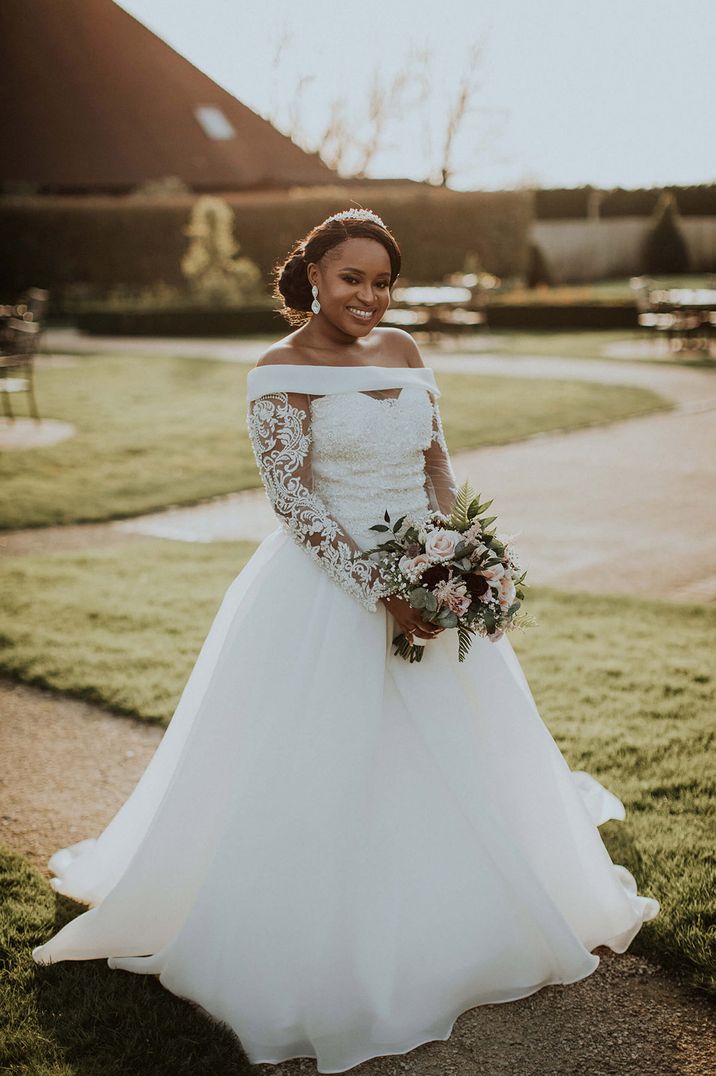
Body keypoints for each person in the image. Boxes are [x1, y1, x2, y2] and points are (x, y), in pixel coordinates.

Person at [32, 207, 660, 1073]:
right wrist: (385, 594)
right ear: (314, 275)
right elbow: (294, 504)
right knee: (327, 753)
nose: (369, 296)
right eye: (351, 278)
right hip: (329, 586)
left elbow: (437, 465)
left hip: (429, 575)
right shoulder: (277, 371)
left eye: (382, 281)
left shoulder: (404, 352)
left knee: (461, 745)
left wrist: (461, 558)